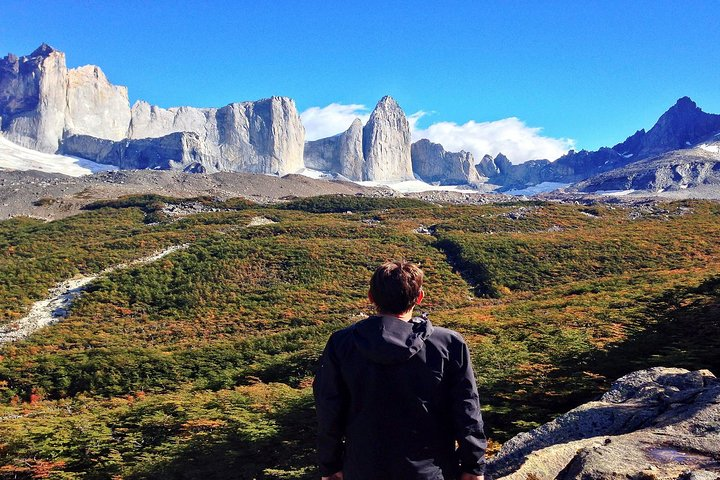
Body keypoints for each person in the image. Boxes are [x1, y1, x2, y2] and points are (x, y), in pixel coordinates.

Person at [313, 260, 487, 480]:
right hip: (433, 471)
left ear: (371, 297)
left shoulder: (341, 343)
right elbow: (467, 408)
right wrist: (473, 465)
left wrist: (329, 465)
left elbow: (329, 409)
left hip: (362, 468)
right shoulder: (448, 343)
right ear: (420, 296)